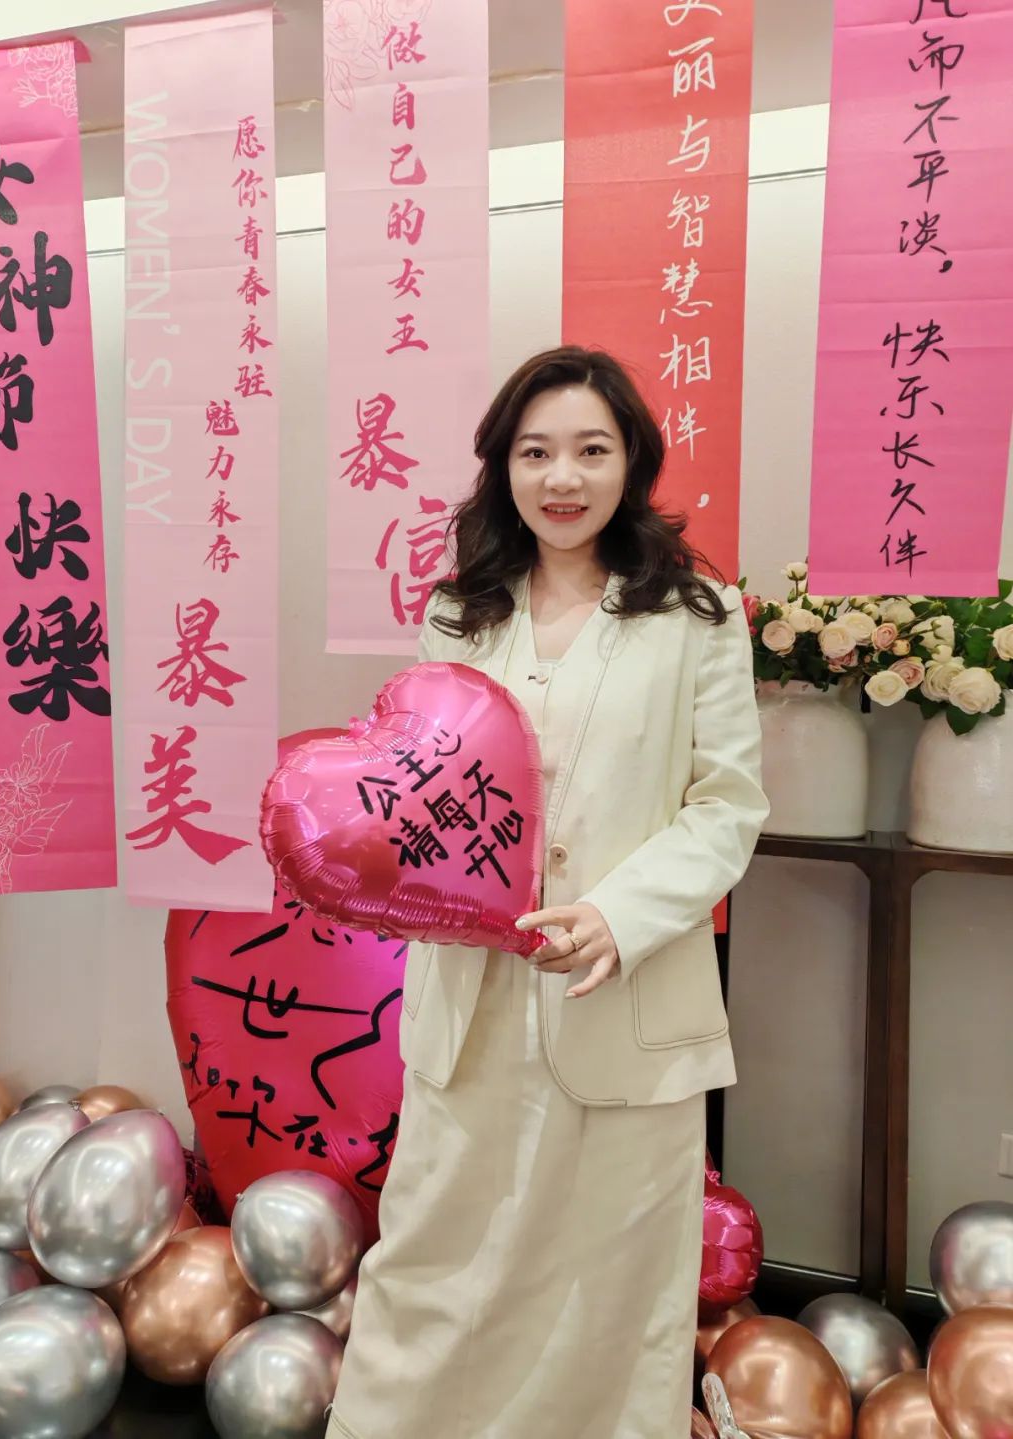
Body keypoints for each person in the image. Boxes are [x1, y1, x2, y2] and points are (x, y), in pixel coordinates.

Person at [326, 346, 768, 1439]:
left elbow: (726, 806)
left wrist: (618, 913)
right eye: (535, 453)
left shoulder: (698, 612)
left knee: (611, 1286)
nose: (562, 477)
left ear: (632, 463)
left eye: (590, 450)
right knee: (434, 1264)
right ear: (504, 467)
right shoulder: (459, 613)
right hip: (472, 1001)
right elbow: (421, 784)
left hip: (620, 993)